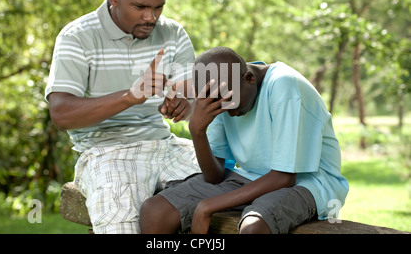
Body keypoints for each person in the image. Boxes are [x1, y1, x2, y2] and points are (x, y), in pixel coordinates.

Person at [45, 0, 200, 234]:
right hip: (106, 152)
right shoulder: (77, 36)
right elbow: (61, 114)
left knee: (229, 190)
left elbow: (191, 101)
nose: (150, 17)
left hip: (165, 145)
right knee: (122, 226)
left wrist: (183, 105)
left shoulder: (173, 34)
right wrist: (129, 96)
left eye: (158, 8)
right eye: (140, 7)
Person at [140, 46, 349, 234]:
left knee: (253, 228)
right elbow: (215, 175)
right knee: (155, 211)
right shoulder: (220, 93)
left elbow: (285, 178)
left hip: (309, 183)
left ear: (249, 78)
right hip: (251, 176)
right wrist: (197, 130)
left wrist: (207, 206)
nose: (229, 114)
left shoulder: (284, 86)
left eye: (232, 105)